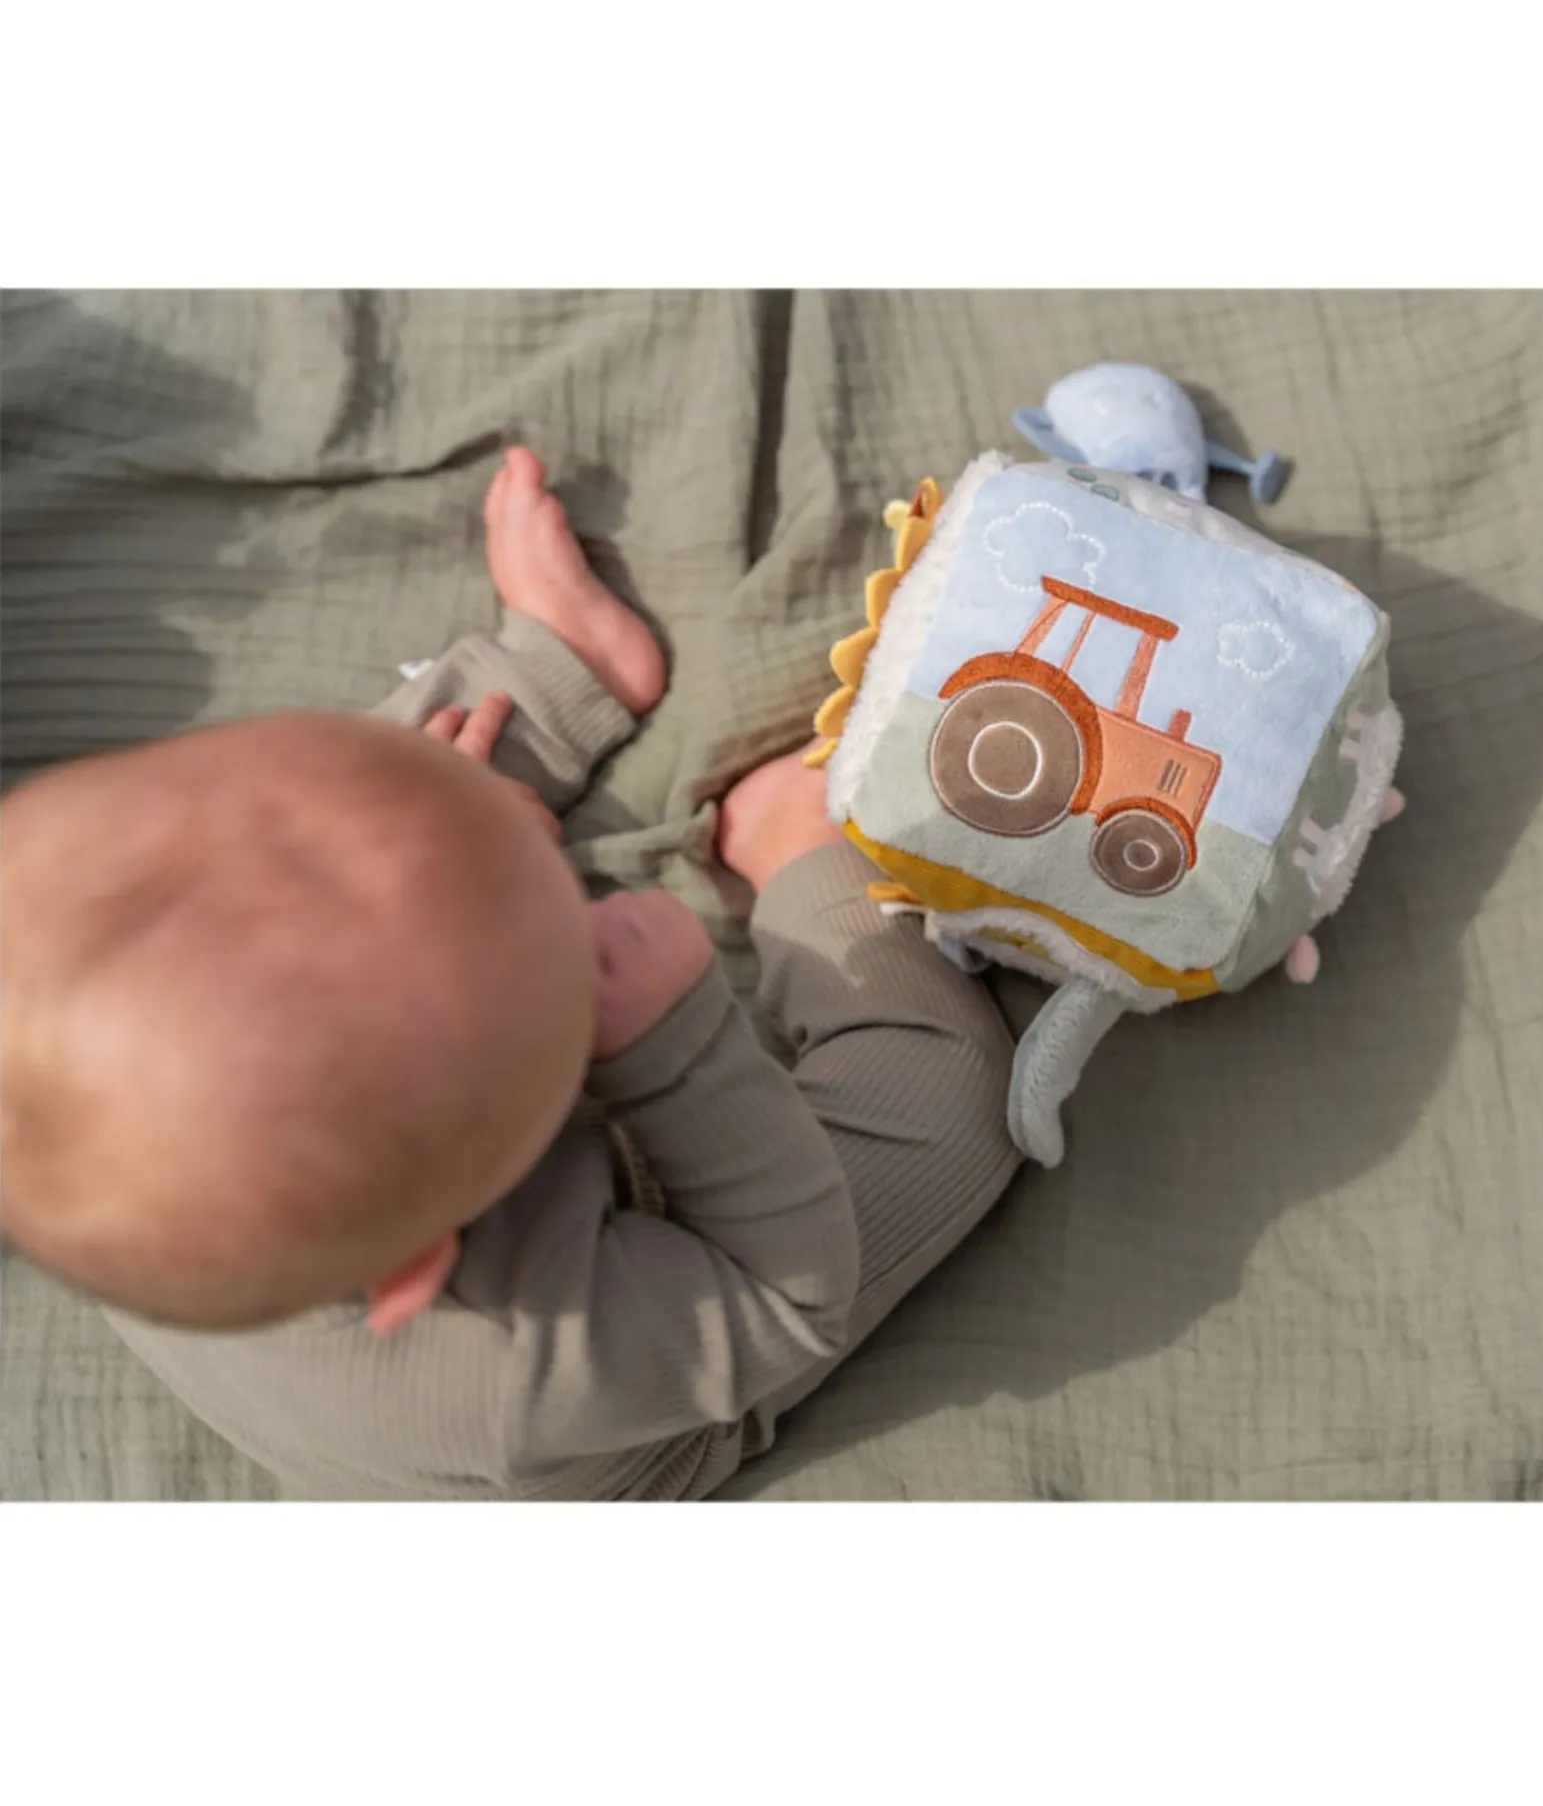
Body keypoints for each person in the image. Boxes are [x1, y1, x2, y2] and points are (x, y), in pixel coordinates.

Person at [0, 447, 1021, 1500]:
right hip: (681, 1334)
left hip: (335, 1147)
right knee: (950, 1103)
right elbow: (788, 1294)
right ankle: (788, 846)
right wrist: (674, 1050)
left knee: (319, 838)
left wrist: (437, 816)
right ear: (420, 1263)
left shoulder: (60, 1053)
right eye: (572, 948)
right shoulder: (514, 1365)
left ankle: (560, 668)